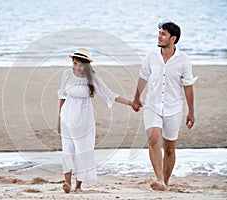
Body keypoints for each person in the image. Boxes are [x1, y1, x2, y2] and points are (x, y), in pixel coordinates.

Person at [132, 22, 197, 191]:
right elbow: (143, 77)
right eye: (159, 33)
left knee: (169, 148)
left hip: (174, 108)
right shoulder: (151, 56)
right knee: (153, 138)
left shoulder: (183, 60)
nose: (159, 36)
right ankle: (159, 179)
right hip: (152, 105)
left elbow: (188, 86)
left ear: (173, 39)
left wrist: (191, 112)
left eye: (163, 34)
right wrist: (137, 97)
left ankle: (165, 182)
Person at [57, 48, 133, 193]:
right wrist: (59, 119)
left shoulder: (93, 78)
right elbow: (62, 95)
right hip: (67, 115)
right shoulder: (66, 74)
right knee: (67, 149)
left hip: (84, 119)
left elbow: (109, 94)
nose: (76, 67)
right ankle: (67, 182)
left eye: (79, 64)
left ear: (86, 65)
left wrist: (130, 103)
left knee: (82, 150)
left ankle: (78, 185)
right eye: (74, 63)